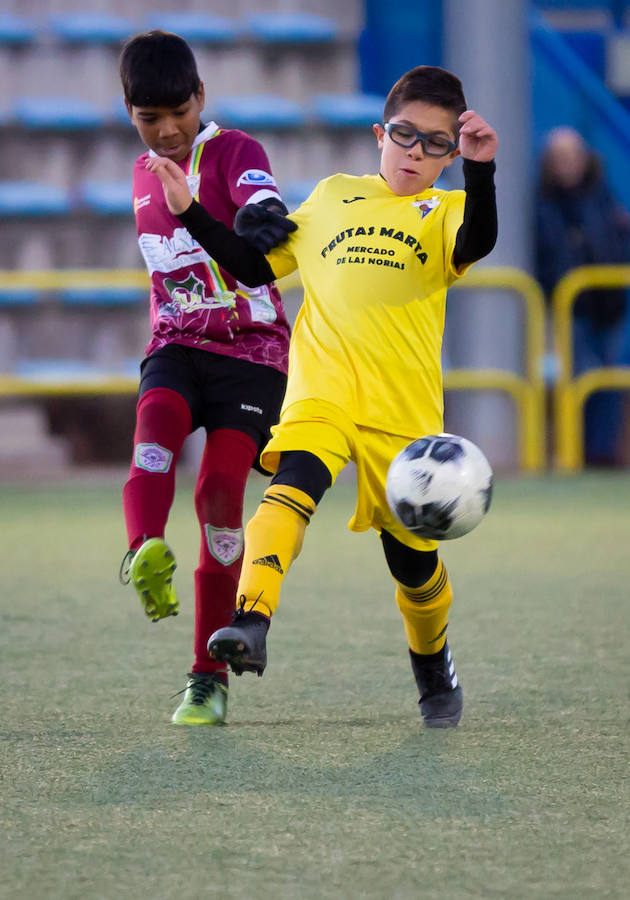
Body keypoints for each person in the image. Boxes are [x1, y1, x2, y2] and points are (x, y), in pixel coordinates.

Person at [147, 65, 498, 728]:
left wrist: (480, 174)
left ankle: (432, 661)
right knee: (292, 487)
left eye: (436, 144)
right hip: (322, 394)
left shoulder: (449, 210)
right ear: (379, 134)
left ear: (453, 154)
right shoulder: (334, 196)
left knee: (414, 567)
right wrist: (190, 210)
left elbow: (479, 239)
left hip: (403, 418)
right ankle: (250, 620)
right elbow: (255, 265)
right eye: (404, 136)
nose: (416, 153)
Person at [118, 31, 295, 726]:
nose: (165, 131)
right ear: (129, 113)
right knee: (154, 427)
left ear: (201, 98)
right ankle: (141, 552)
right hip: (177, 343)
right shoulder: (139, 174)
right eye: (148, 119)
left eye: (177, 114)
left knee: (221, 491)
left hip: (251, 354)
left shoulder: (236, 153)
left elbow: (260, 226)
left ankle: (206, 677)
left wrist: (250, 214)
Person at [535, 126, 630, 467]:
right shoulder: (543, 202)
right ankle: (575, 454)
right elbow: (547, 254)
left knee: (611, 380)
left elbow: (615, 239)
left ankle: (601, 454)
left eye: (573, 156)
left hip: (611, 305)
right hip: (570, 308)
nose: (567, 164)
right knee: (578, 379)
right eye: (559, 157)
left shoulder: (602, 194)